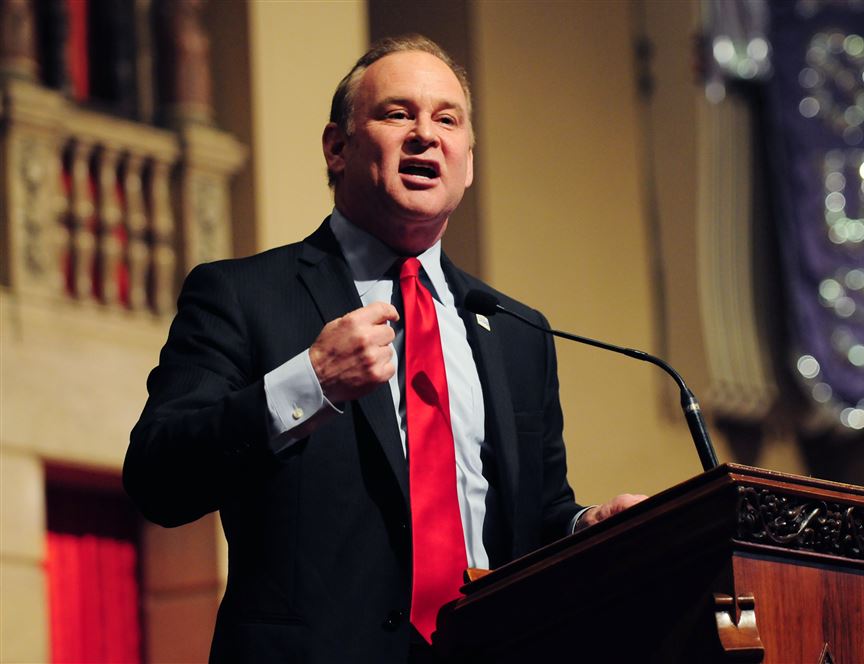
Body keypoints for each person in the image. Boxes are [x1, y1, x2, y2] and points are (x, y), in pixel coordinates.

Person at [125, 34, 644, 663]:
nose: (426, 135)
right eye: (398, 114)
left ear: (468, 162)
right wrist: (310, 381)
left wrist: (584, 527)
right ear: (337, 148)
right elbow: (158, 478)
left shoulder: (515, 332)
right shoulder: (242, 296)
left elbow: (535, 517)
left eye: (447, 120)